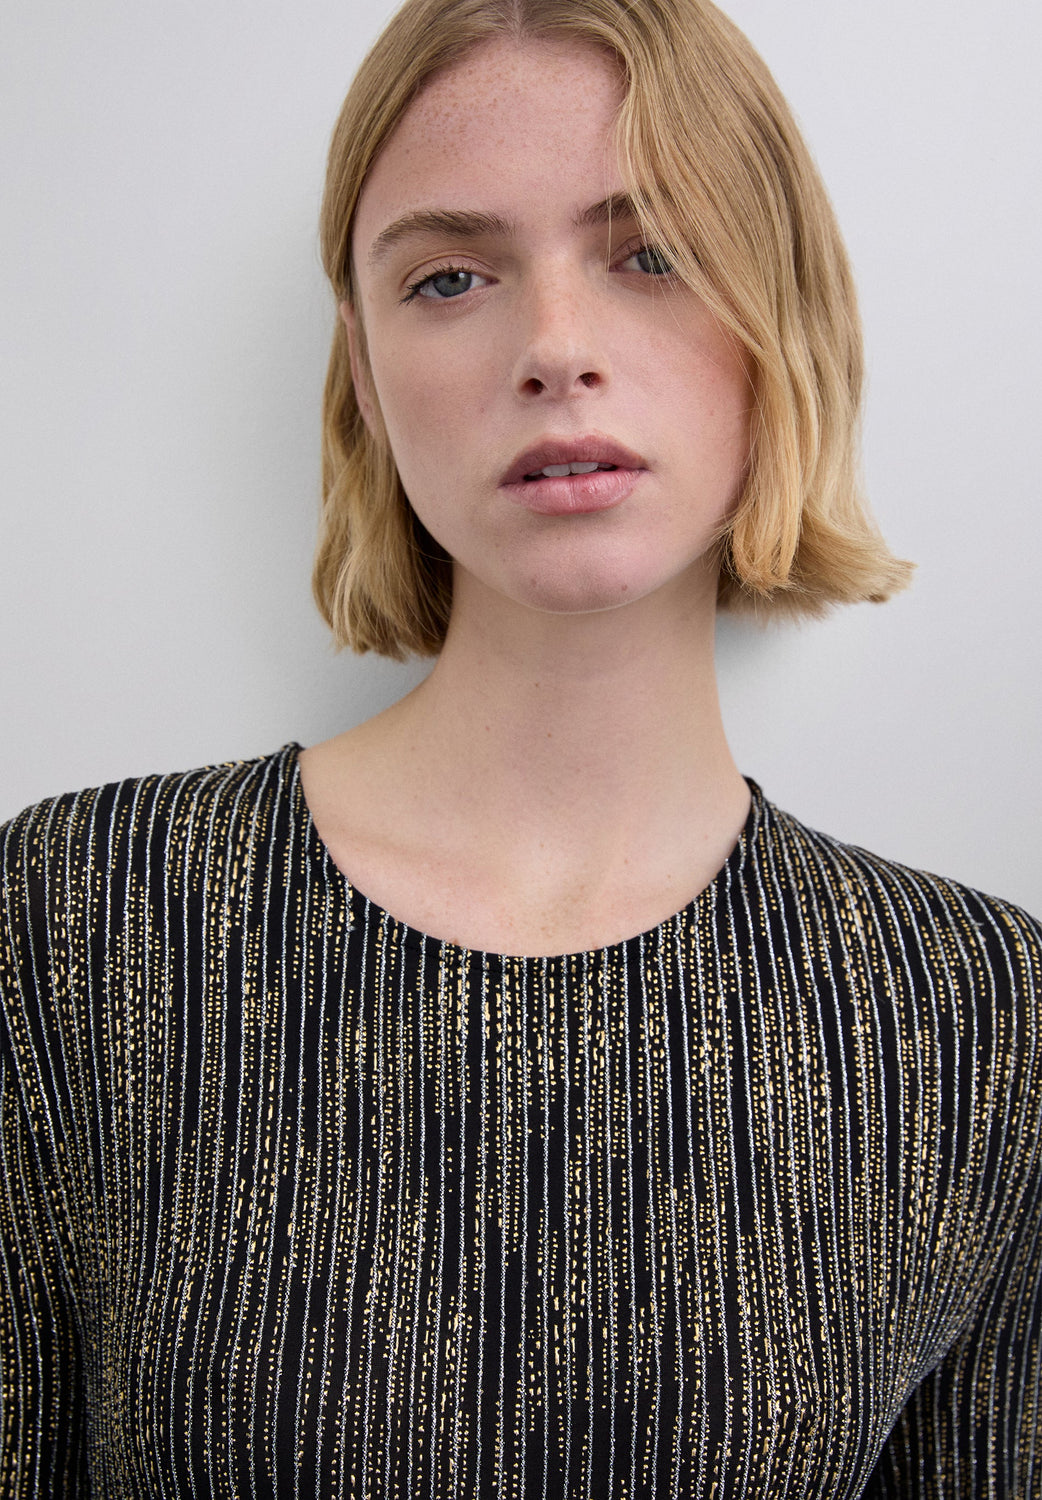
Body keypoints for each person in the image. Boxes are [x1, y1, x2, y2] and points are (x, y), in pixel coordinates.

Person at [1, 0, 1039, 1494]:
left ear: (783, 321)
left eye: (653, 254)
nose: (557, 348)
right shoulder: (80, 919)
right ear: (364, 369)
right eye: (449, 277)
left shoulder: (975, 1017)